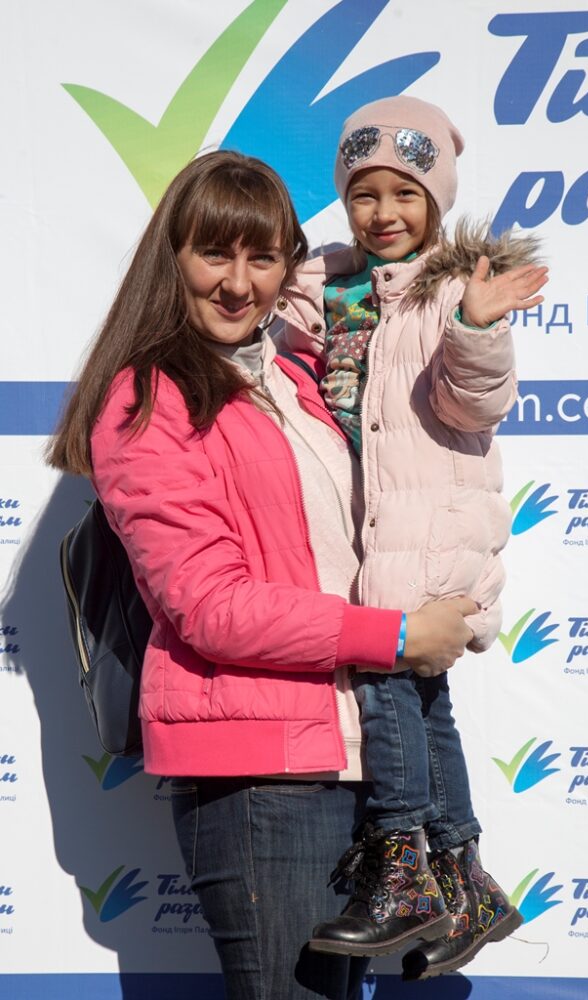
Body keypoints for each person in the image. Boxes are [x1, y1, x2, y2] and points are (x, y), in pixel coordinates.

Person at [46, 149, 480, 1000]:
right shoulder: (147, 400)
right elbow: (208, 606)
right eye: (215, 253)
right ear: (172, 258)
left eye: (263, 257)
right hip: (261, 779)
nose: (239, 283)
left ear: (290, 266)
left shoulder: (294, 376)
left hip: (355, 757)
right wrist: (396, 636)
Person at [275, 96, 549, 978]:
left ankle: (402, 868)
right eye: (364, 194)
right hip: (370, 524)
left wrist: (475, 328)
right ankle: (464, 877)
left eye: (404, 193)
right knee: (423, 698)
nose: (383, 212)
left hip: (426, 524)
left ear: (435, 200)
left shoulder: (449, 291)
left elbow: (474, 403)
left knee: (386, 677)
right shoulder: (326, 284)